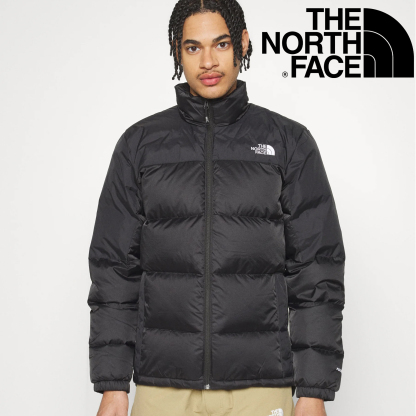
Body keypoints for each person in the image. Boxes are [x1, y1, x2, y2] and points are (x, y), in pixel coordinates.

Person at [87, 1, 346, 415]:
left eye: (221, 44)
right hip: (162, 386)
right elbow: (114, 270)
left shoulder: (288, 142)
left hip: (260, 386)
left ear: (242, 43)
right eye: (193, 47)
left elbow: (317, 270)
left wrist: (313, 389)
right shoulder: (140, 145)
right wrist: (113, 383)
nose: (207, 61)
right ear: (177, 50)